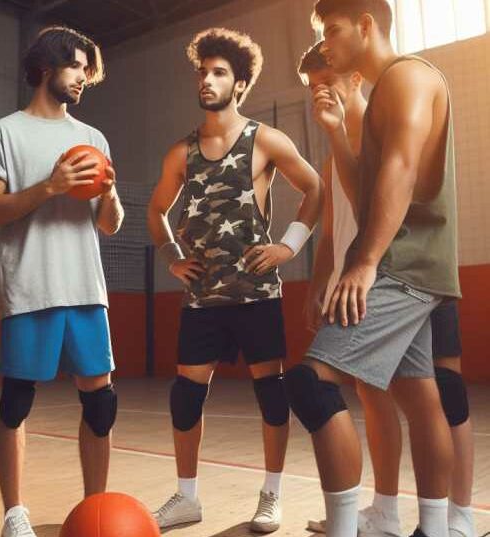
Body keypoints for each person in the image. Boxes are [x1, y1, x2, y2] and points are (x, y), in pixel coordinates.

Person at [285, 2, 462, 536]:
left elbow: (403, 169)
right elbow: (365, 199)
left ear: (366, 25)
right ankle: (430, 529)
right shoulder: (387, 91)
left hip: (402, 265)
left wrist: (362, 263)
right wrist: (338, 133)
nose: (326, 42)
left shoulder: (409, 76)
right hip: (409, 265)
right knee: (417, 396)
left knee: (310, 384)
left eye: (332, 30)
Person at [146, 27, 322, 533]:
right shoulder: (182, 151)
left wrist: (288, 245)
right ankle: (187, 498)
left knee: (271, 394)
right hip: (202, 297)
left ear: (239, 84)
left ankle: (271, 495)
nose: (207, 79)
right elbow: (157, 211)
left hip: (256, 294)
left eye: (219, 72)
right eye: (203, 71)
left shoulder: (264, 140)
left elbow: (314, 188)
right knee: (185, 395)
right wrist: (173, 257)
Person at [0, 26, 124, 537]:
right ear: (46, 67)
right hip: (30, 288)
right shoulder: (4, 132)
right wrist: (49, 187)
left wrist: (108, 194)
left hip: (86, 289)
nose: (84, 77)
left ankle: (97, 508)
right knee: (17, 401)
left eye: (87, 69)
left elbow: (109, 223)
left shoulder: (93, 139)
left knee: (101, 404)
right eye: (76, 66)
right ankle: (15, 513)